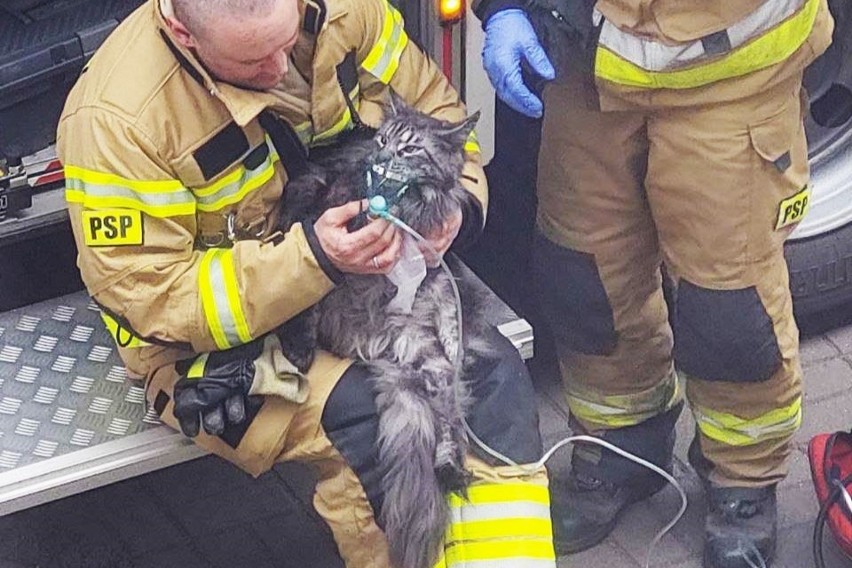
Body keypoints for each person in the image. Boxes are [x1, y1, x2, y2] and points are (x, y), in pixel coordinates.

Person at [56, 1, 556, 566]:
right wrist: (313, 259)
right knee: (384, 429)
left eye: (286, 41)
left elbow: (440, 120)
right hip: (218, 347)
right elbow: (154, 300)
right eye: (251, 60)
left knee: (498, 378)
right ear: (181, 32)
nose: (278, 69)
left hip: (368, 284)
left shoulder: (346, 11)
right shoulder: (115, 121)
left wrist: (456, 209)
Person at [473, 0, 834, 566]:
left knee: (729, 307)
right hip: (583, 72)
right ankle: (618, 447)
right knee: (584, 279)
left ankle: (743, 481)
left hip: (731, 78)